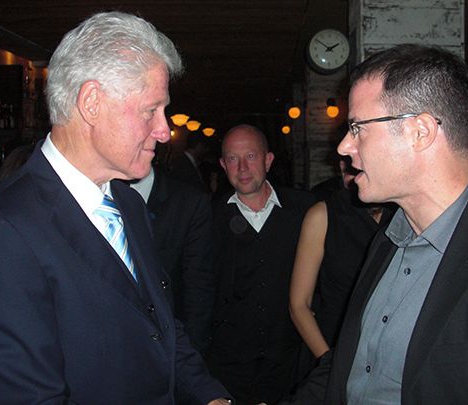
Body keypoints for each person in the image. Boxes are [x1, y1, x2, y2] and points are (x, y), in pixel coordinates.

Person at [0, 12, 229, 404]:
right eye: (151, 110)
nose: (165, 130)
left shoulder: (126, 202)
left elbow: (159, 326)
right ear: (92, 102)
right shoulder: (3, 232)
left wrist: (212, 397)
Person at [284, 44, 468, 404]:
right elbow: (351, 366)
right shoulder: (389, 238)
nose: (344, 146)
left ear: (420, 132)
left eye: (358, 128)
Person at [206, 124, 315, 405]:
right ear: (222, 164)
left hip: (291, 371)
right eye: (232, 158)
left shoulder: (306, 212)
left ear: (268, 160)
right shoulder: (205, 218)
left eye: (251, 156)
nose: (242, 167)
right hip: (229, 374)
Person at [289, 156, 390, 364]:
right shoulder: (324, 215)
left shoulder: (401, 213)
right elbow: (299, 305)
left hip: (387, 354)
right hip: (333, 347)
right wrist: (329, 361)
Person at [131, 165, 215, 352]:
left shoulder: (188, 202)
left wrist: (191, 355)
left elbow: (199, 288)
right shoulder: (90, 194)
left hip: (171, 347)